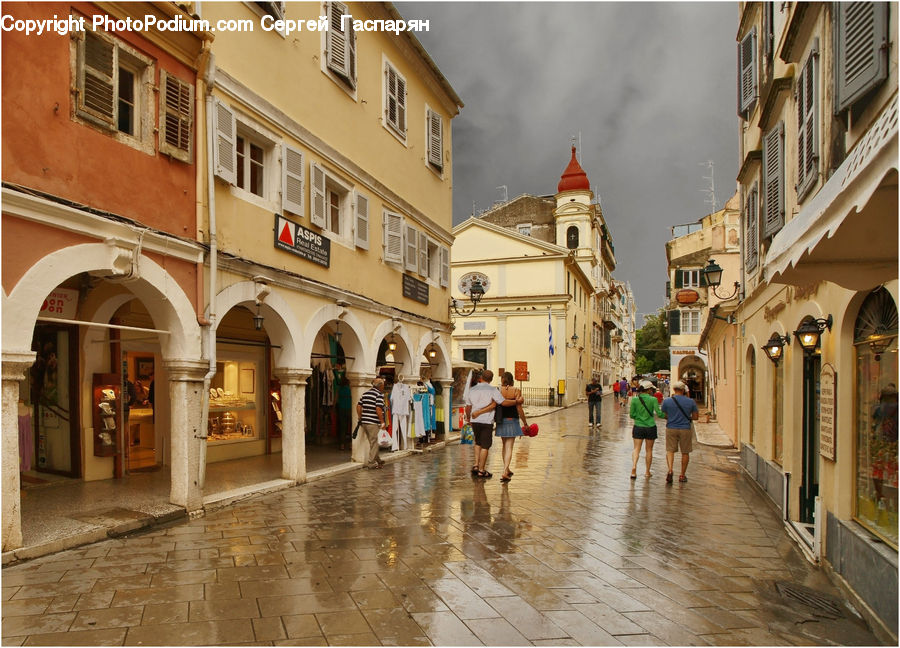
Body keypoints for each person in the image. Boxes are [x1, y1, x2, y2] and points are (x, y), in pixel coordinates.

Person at [464, 369, 507, 479]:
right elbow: (502, 402)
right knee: (485, 445)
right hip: (486, 420)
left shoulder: (472, 390)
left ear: (481, 377)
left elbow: (468, 406)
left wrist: (469, 418)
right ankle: (482, 470)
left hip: (474, 420)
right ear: (491, 379)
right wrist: (516, 401)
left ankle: (476, 464)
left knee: (477, 442)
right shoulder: (493, 390)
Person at [661, 380, 699, 483]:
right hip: (685, 428)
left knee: (670, 450)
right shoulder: (691, 402)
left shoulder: (667, 401)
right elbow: (695, 417)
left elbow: (664, 415)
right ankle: (682, 475)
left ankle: (670, 470)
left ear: (674, 389)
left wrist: (671, 417)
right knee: (685, 452)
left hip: (671, 428)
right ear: (683, 390)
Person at [629, 380, 662, 479]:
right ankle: (647, 471)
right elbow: (659, 413)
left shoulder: (635, 400)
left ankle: (634, 467)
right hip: (650, 426)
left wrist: (639, 417)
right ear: (649, 390)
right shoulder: (653, 400)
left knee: (636, 449)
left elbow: (631, 415)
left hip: (638, 426)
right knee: (649, 450)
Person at [356, 377, 387, 469]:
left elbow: (358, 406)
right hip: (373, 422)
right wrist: (382, 422)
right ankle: (371, 463)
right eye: (383, 385)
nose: (383, 387)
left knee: (372, 442)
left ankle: (378, 460)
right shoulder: (379, 395)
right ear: (380, 386)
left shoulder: (365, 394)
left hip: (365, 422)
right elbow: (378, 409)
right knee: (374, 443)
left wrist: (360, 417)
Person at [336, 376, 352, 451]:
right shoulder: (351, 389)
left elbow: (335, 400)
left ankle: (342, 445)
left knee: (342, 427)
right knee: (352, 427)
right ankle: (351, 444)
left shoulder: (339, 389)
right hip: (350, 409)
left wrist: (333, 408)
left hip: (341, 409)